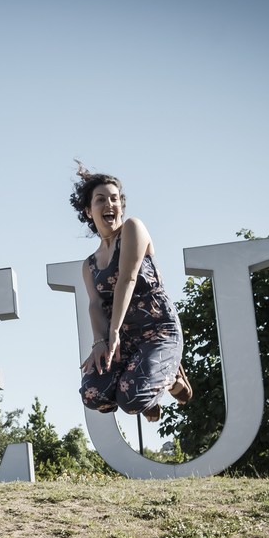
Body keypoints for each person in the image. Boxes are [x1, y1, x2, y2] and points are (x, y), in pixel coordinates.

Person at [72, 164, 191, 422]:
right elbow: (95, 304)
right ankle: (143, 383)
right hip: (123, 342)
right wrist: (99, 342)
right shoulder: (89, 264)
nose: (109, 204)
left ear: (121, 207)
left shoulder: (132, 229)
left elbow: (127, 278)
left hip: (158, 332)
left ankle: (168, 378)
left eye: (114, 199)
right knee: (92, 394)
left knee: (132, 400)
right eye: (101, 199)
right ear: (88, 211)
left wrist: (112, 332)